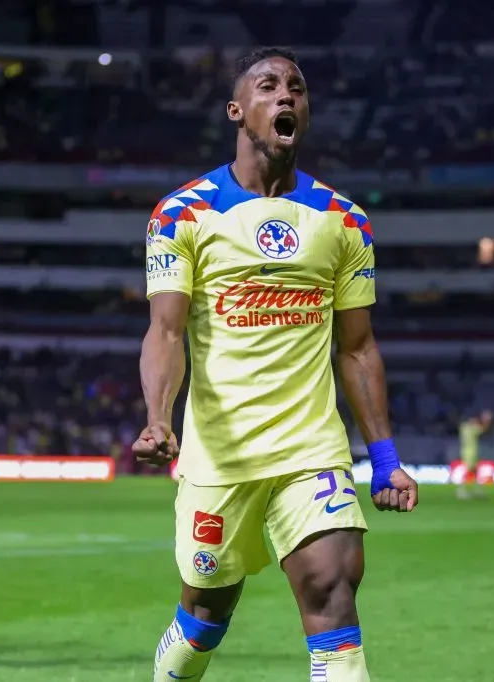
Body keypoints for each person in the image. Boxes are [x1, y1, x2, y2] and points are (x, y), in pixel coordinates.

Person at [134, 47, 418, 682]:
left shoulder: (344, 219)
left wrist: (385, 457)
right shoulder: (184, 213)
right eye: (268, 86)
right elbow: (166, 330)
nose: (286, 95)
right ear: (238, 110)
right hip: (221, 456)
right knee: (205, 614)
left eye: (297, 87)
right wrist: (157, 417)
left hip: (311, 450)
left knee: (332, 592)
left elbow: (357, 347)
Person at [456, 409, 493, 499]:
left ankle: (478, 490)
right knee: (468, 471)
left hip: (467, 451)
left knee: (475, 471)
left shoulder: (464, 427)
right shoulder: (471, 428)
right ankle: (461, 490)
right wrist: (486, 420)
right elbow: (484, 429)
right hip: (470, 452)